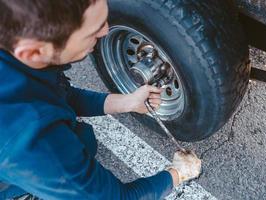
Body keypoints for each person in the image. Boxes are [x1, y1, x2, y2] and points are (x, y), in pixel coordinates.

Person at [0, 0, 202, 199]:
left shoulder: (16, 46)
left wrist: (127, 102)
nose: (106, 31)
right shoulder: (35, 141)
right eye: (92, 32)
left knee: (84, 140)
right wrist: (177, 173)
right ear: (34, 52)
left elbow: (56, 94)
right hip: (16, 155)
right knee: (80, 147)